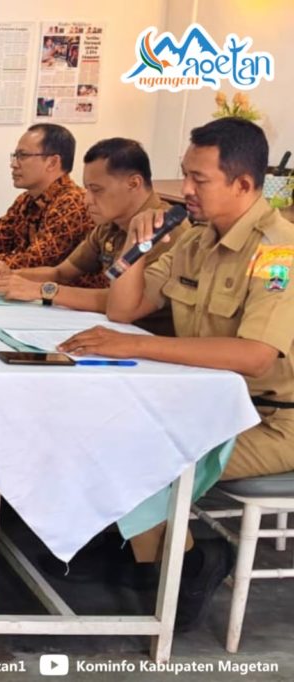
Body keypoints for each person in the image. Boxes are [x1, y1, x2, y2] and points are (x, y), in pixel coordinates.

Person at [59, 118, 294, 629]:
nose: (184, 189)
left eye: (199, 179)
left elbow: (255, 355)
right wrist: (136, 250)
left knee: (146, 451)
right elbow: (125, 309)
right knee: (104, 427)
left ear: (244, 184)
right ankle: (147, 557)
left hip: (271, 420)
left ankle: (186, 567)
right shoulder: (195, 239)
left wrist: (139, 347)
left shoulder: (279, 251)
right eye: (185, 174)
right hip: (207, 403)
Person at [0, 138, 188, 330]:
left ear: (134, 184)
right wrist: (11, 276)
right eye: (87, 190)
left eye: (96, 190)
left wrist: (43, 290)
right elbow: (60, 273)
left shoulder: (164, 229)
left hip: (148, 335)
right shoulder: (110, 224)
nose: (86, 200)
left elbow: (122, 302)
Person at [0, 124, 95, 275]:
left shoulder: (72, 202)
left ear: (52, 162)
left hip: (64, 289)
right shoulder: (26, 200)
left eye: (23, 156)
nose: (13, 164)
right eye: (15, 156)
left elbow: (34, 262)